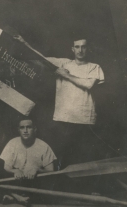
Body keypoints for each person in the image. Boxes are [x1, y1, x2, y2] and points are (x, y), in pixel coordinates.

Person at [15, 35, 105, 167]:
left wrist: (66, 75)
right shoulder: (63, 63)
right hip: (63, 118)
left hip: (84, 119)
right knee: (63, 157)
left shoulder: (94, 67)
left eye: (84, 47)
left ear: (88, 49)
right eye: (77, 47)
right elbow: (41, 58)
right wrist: (24, 42)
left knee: (84, 158)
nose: (80, 50)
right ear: (72, 49)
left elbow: (88, 84)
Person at [0, 117, 56, 206]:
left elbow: (51, 171)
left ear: (35, 129)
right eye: (22, 128)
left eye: (28, 127)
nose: (25, 130)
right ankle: (17, 197)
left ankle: (14, 197)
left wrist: (37, 170)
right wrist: (15, 170)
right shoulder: (12, 143)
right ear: (18, 130)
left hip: (34, 184)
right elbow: (6, 167)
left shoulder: (44, 146)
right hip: (15, 182)